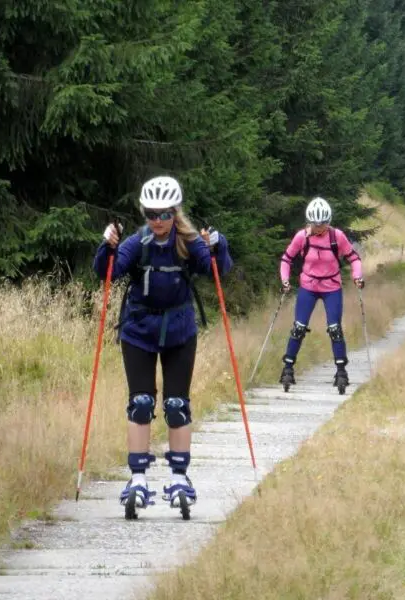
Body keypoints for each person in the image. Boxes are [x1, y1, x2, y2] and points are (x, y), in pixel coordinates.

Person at [93, 175, 233, 519]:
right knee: (140, 404)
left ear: (175, 212)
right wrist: (107, 247)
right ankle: (138, 478)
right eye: (152, 213)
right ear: (145, 213)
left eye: (165, 214)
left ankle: (179, 478)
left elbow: (219, 270)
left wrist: (219, 245)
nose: (158, 220)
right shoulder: (136, 242)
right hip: (139, 330)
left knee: (176, 405)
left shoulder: (188, 242)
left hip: (180, 332)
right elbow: (106, 274)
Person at [278, 197, 364, 390]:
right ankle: (288, 368)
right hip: (308, 286)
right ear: (309, 222)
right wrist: (285, 280)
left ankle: (341, 372)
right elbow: (286, 259)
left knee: (335, 328)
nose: (319, 228)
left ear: (329, 221)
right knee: (298, 327)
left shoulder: (337, 236)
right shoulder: (302, 237)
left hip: (331, 287)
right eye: (316, 225)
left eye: (323, 224)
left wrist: (357, 276)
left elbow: (354, 258)